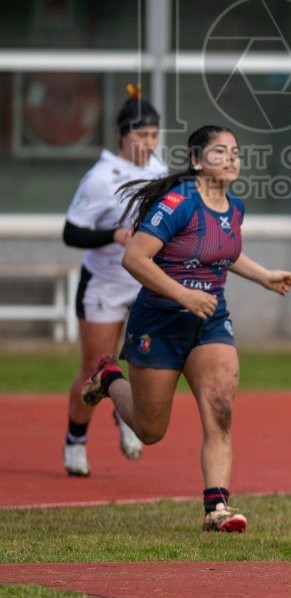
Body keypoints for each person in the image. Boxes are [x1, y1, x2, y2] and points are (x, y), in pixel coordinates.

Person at [80, 124, 291, 533]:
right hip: (159, 321)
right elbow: (135, 258)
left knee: (221, 407)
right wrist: (184, 295)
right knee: (149, 430)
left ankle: (217, 507)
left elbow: (221, 250)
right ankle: (109, 377)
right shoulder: (178, 202)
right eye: (220, 151)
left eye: (235, 152)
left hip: (209, 320)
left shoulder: (235, 207)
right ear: (197, 161)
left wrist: (264, 275)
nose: (231, 158)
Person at [62, 84, 167, 476]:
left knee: (142, 360)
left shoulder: (160, 170)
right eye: (141, 135)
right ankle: (75, 438)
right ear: (123, 135)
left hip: (143, 281)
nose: (148, 143)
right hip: (104, 282)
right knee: (95, 368)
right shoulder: (100, 178)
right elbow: (71, 233)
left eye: (154, 135)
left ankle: (126, 415)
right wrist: (112, 235)